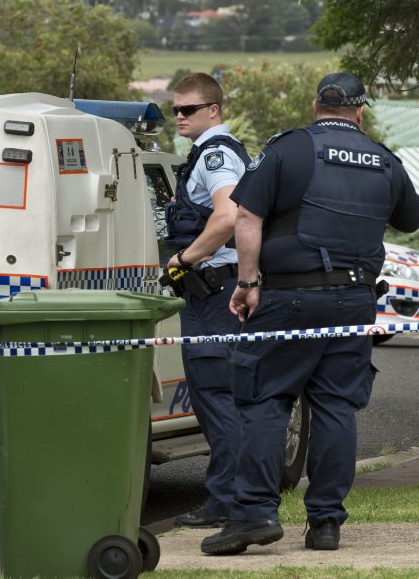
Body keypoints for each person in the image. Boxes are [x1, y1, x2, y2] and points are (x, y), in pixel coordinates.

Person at [201, 72, 419, 555]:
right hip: (354, 301)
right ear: (360, 112)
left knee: (266, 400)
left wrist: (246, 282)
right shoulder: (384, 160)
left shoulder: (287, 149)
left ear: (315, 105)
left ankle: (254, 514)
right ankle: (325, 524)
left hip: (288, 300)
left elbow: (247, 216)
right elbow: (410, 219)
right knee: (336, 407)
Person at [164, 72, 250, 528]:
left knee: (216, 393)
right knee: (220, 394)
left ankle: (229, 503)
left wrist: (182, 259)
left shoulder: (216, 154)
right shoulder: (212, 152)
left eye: (189, 109)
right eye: (175, 109)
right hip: (220, 286)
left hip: (214, 288)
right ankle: (235, 498)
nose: (179, 117)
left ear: (213, 110)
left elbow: (228, 216)